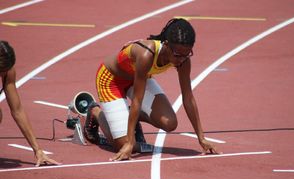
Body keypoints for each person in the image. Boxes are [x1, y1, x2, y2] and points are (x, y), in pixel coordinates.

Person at [83, 18, 219, 161]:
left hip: (137, 79)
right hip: (111, 80)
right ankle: (96, 112)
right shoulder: (146, 54)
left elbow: (188, 97)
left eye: (187, 54)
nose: (181, 59)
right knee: (123, 145)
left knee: (170, 123)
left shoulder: (183, 60)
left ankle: (128, 118)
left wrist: (201, 138)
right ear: (166, 45)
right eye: (177, 55)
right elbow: (137, 99)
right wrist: (129, 143)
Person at [0, 40, 61, 166]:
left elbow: (17, 110)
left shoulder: (8, 72)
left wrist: (37, 149)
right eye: (2, 71)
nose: (4, 73)